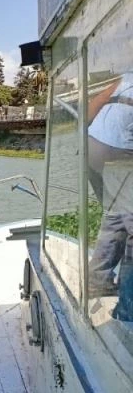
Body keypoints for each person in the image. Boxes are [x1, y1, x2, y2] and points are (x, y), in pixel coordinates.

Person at [86, 72, 133, 321]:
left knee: (116, 215)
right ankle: (128, 308)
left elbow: (92, 106)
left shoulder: (127, 77)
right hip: (120, 153)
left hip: (93, 146)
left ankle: (98, 280)